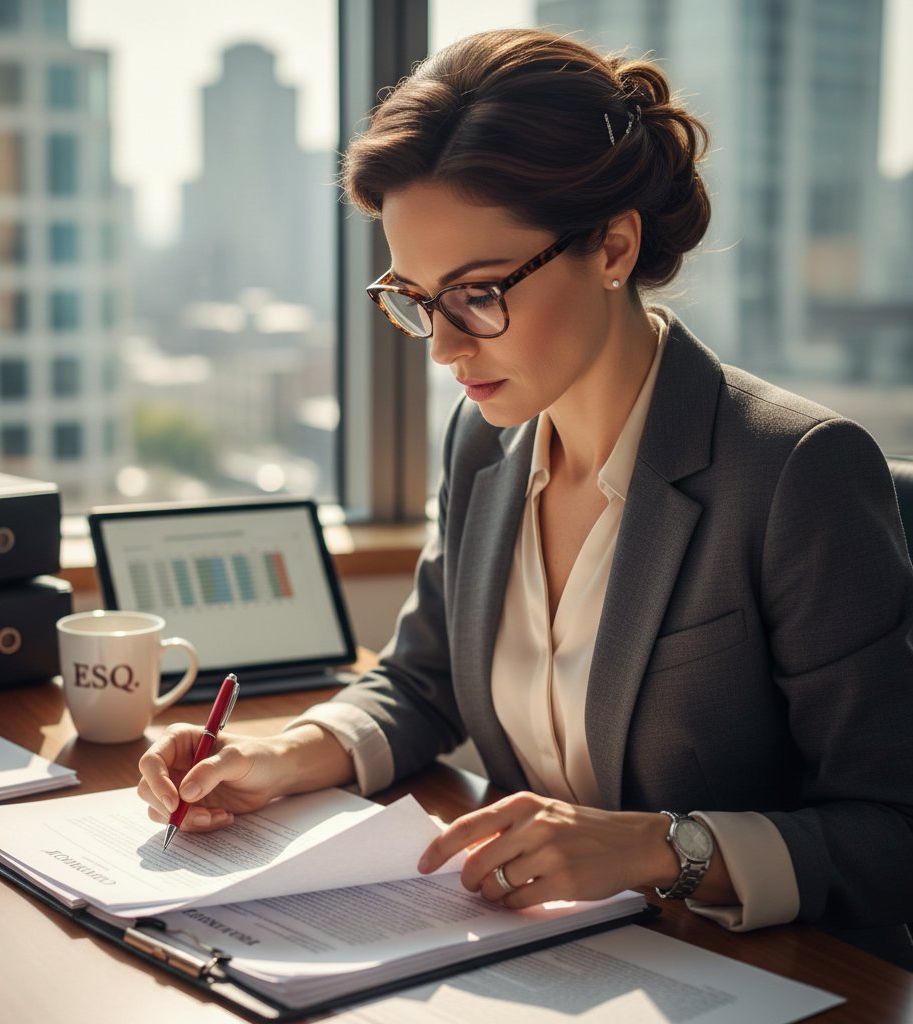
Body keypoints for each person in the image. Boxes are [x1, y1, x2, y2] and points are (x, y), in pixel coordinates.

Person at [138, 28, 913, 966]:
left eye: (477, 293)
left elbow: (889, 830)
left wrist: (662, 844)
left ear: (614, 245)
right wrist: (281, 756)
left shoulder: (797, 472)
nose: (443, 347)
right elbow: (422, 681)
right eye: (415, 298)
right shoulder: (485, 438)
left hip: (749, 970)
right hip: (532, 953)